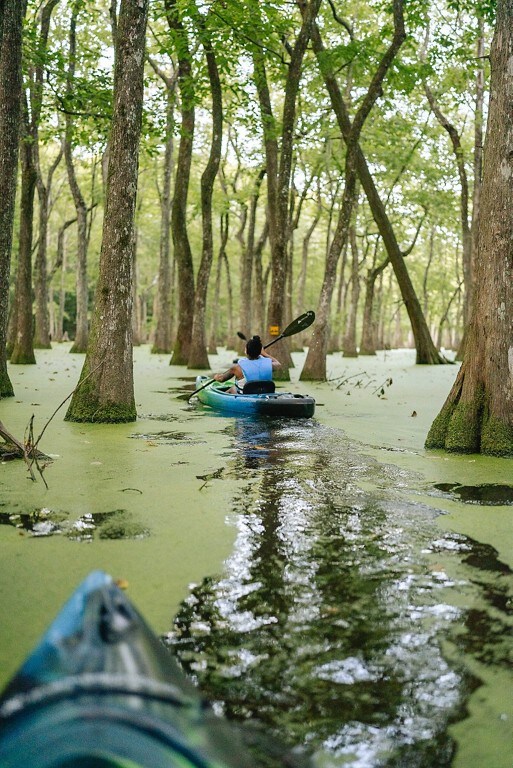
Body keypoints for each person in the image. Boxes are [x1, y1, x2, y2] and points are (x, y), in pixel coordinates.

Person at [213, 335, 281, 393]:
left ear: (246, 351)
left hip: (246, 394)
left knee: (233, 389)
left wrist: (216, 377)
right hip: (264, 393)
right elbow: (278, 364)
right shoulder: (269, 365)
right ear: (260, 351)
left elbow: (221, 379)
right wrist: (265, 354)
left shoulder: (237, 368)